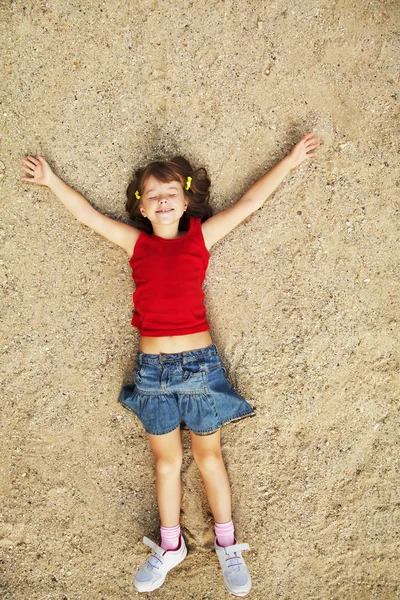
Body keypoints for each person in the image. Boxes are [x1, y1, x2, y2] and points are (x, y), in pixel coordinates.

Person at [21, 132, 320, 597]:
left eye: (171, 193)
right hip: (152, 374)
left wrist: (291, 159)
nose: (162, 200)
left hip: (200, 367)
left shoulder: (200, 237)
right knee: (166, 463)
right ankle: (171, 545)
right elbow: (88, 215)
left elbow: (250, 203)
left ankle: (227, 544)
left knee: (208, 457)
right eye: (153, 194)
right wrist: (51, 181)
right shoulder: (135, 244)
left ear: (185, 202)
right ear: (141, 206)